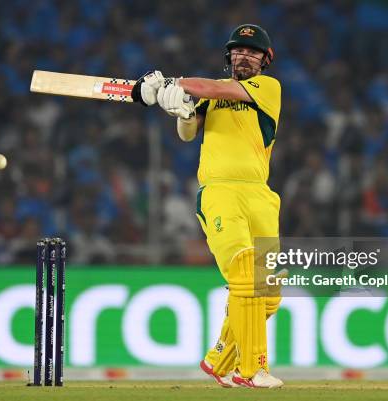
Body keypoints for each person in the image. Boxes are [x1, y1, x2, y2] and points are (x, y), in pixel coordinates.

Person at [132, 24, 283, 388]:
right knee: (244, 270)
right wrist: (183, 113)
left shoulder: (268, 88)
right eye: (238, 51)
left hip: (260, 194)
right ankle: (252, 369)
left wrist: (174, 83)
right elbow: (188, 133)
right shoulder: (208, 95)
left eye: (252, 52)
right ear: (228, 56)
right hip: (220, 191)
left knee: (270, 293)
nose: (243, 56)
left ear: (264, 61)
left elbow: (215, 88)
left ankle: (219, 359)